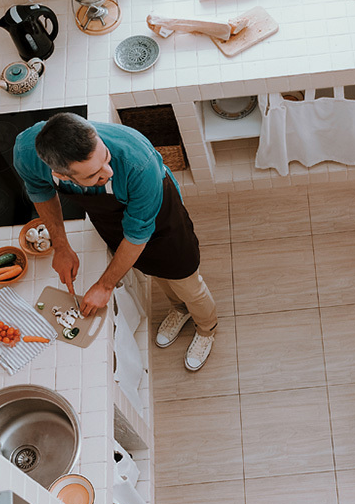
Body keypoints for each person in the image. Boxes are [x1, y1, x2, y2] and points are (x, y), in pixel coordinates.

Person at [13, 113, 219, 371]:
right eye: (95, 175)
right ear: (62, 176)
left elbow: (137, 235)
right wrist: (61, 247)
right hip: (111, 217)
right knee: (153, 270)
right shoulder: (26, 151)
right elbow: (41, 192)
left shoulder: (138, 162)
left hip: (160, 216)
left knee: (185, 279)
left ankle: (206, 327)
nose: (108, 172)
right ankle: (180, 309)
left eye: (106, 158)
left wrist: (105, 285)